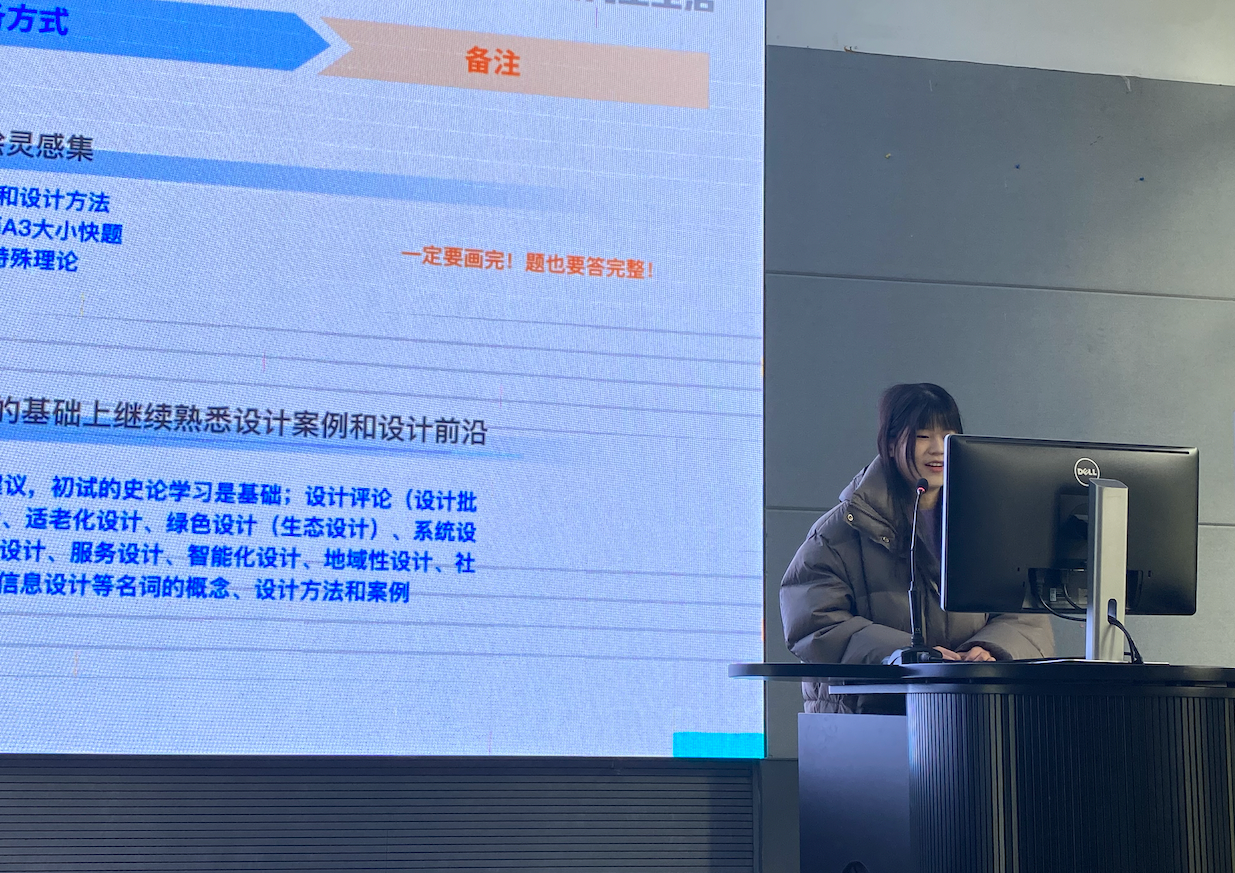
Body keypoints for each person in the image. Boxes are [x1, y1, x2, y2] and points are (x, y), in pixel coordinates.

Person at [780, 383, 1054, 713]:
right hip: (866, 719)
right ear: (890, 443)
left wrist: (989, 648)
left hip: (970, 711)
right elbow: (814, 624)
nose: (938, 449)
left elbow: (1026, 611)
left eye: (948, 435)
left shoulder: (988, 521)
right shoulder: (840, 530)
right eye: (923, 436)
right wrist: (909, 654)